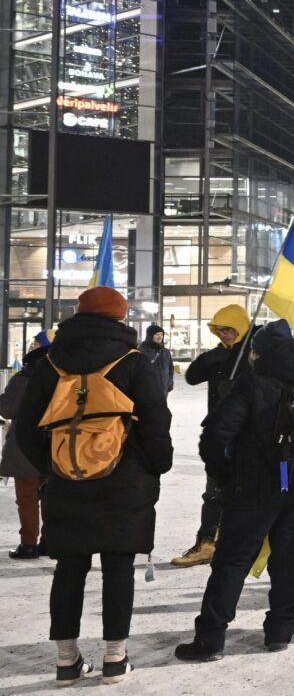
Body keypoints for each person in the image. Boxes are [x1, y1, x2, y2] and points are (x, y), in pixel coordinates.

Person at [13, 287, 173, 684]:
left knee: (69, 567)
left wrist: (53, 467)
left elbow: (26, 427)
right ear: (120, 317)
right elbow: (156, 419)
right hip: (126, 480)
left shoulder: (51, 363)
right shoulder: (133, 361)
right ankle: (115, 657)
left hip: (66, 480)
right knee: (118, 567)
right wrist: (156, 464)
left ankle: (66, 660)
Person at [174, 320, 294, 662]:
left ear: (260, 353)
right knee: (289, 558)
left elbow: (216, 436)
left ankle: (211, 639)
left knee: (232, 561)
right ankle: (281, 632)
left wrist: (225, 475)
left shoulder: (253, 383)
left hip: (254, 490)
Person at [173, 305, 257, 568]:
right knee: (214, 492)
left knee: (246, 491)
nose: (223, 334)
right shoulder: (219, 355)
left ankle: (244, 545)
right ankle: (207, 543)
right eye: (219, 330)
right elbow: (192, 377)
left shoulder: (255, 353)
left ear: (240, 327)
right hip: (220, 434)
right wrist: (210, 358)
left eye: (228, 329)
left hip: (249, 434)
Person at [0, 331, 50, 560]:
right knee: (51, 497)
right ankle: (49, 542)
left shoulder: (25, 376)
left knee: (27, 498)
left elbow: (7, 409)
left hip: (26, 445)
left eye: (35, 343)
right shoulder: (67, 374)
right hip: (57, 445)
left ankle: (28, 544)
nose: (31, 346)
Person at [139, 325, 172, 397]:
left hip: (163, 388)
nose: (160, 337)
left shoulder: (165, 351)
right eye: (157, 334)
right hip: (147, 389)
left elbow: (170, 368)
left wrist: (170, 383)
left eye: (161, 334)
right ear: (150, 336)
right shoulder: (142, 350)